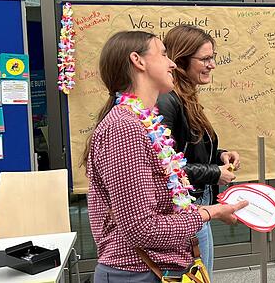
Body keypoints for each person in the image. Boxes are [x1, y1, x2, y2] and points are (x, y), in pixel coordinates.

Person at [84, 31, 246, 283]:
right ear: (138, 61)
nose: (172, 63)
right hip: (137, 273)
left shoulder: (144, 122)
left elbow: (159, 206)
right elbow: (142, 228)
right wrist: (209, 213)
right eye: (163, 54)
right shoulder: (124, 128)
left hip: (157, 267)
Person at [157, 25, 241, 274]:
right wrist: (215, 173)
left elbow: (188, 151)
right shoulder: (168, 100)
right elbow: (165, 165)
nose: (212, 65)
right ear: (181, 61)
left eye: (212, 57)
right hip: (184, 211)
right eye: (205, 59)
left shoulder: (185, 97)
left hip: (196, 206)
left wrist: (220, 155)